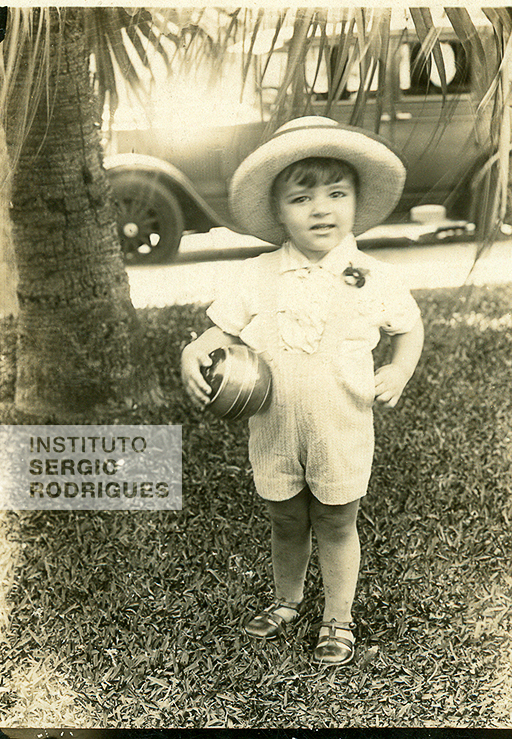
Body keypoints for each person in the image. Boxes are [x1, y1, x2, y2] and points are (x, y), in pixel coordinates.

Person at [181, 116, 424, 666]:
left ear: (356, 202)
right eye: (302, 197)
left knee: (338, 521)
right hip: (273, 428)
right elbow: (223, 330)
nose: (321, 208)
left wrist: (399, 370)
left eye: (337, 194)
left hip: (341, 426)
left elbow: (408, 326)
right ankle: (287, 600)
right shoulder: (259, 274)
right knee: (285, 518)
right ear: (278, 211)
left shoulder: (371, 273)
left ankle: (338, 618)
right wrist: (192, 350)